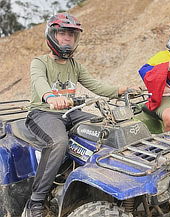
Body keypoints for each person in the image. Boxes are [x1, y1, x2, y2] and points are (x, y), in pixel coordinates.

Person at [22, 13, 129, 217]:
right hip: (43, 113)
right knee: (58, 142)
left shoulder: (75, 65)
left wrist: (119, 90)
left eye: (71, 35)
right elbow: (39, 81)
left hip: (69, 112)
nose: (67, 39)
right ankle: (36, 200)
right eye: (62, 33)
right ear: (52, 36)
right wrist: (50, 97)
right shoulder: (39, 62)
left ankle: (108, 179)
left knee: (106, 128)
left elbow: (95, 85)